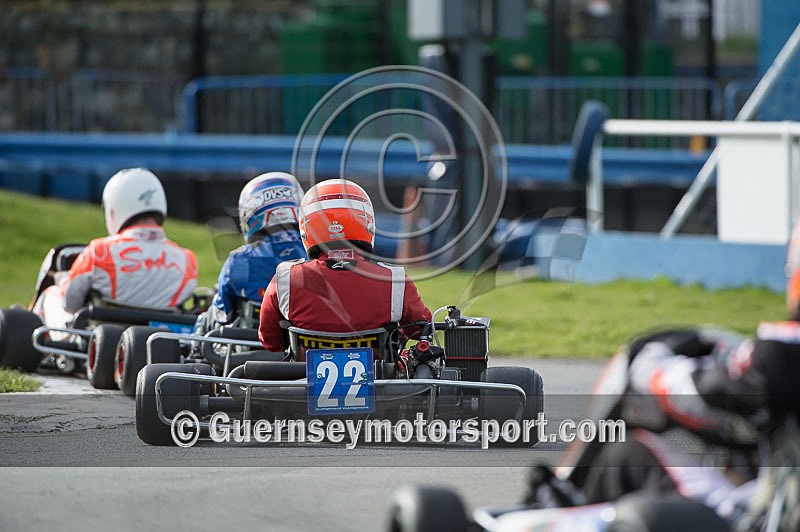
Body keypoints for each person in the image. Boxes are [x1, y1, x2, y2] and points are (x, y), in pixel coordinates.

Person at [258, 178, 432, 355]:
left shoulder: (286, 278)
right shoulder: (394, 279)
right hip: (379, 372)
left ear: (307, 228)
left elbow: (270, 341)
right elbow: (421, 330)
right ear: (367, 224)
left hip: (302, 372)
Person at [32, 167, 198, 329]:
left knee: (50, 295)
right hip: (159, 339)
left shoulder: (99, 252)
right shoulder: (187, 260)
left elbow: (69, 303)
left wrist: (63, 280)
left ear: (114, 210)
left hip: (102, 336)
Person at [194, 171, 307, 333]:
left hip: (253, 342)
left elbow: (223, 315)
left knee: (207, 318)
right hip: (307, 342)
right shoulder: (319, 253)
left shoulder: (240, 260)